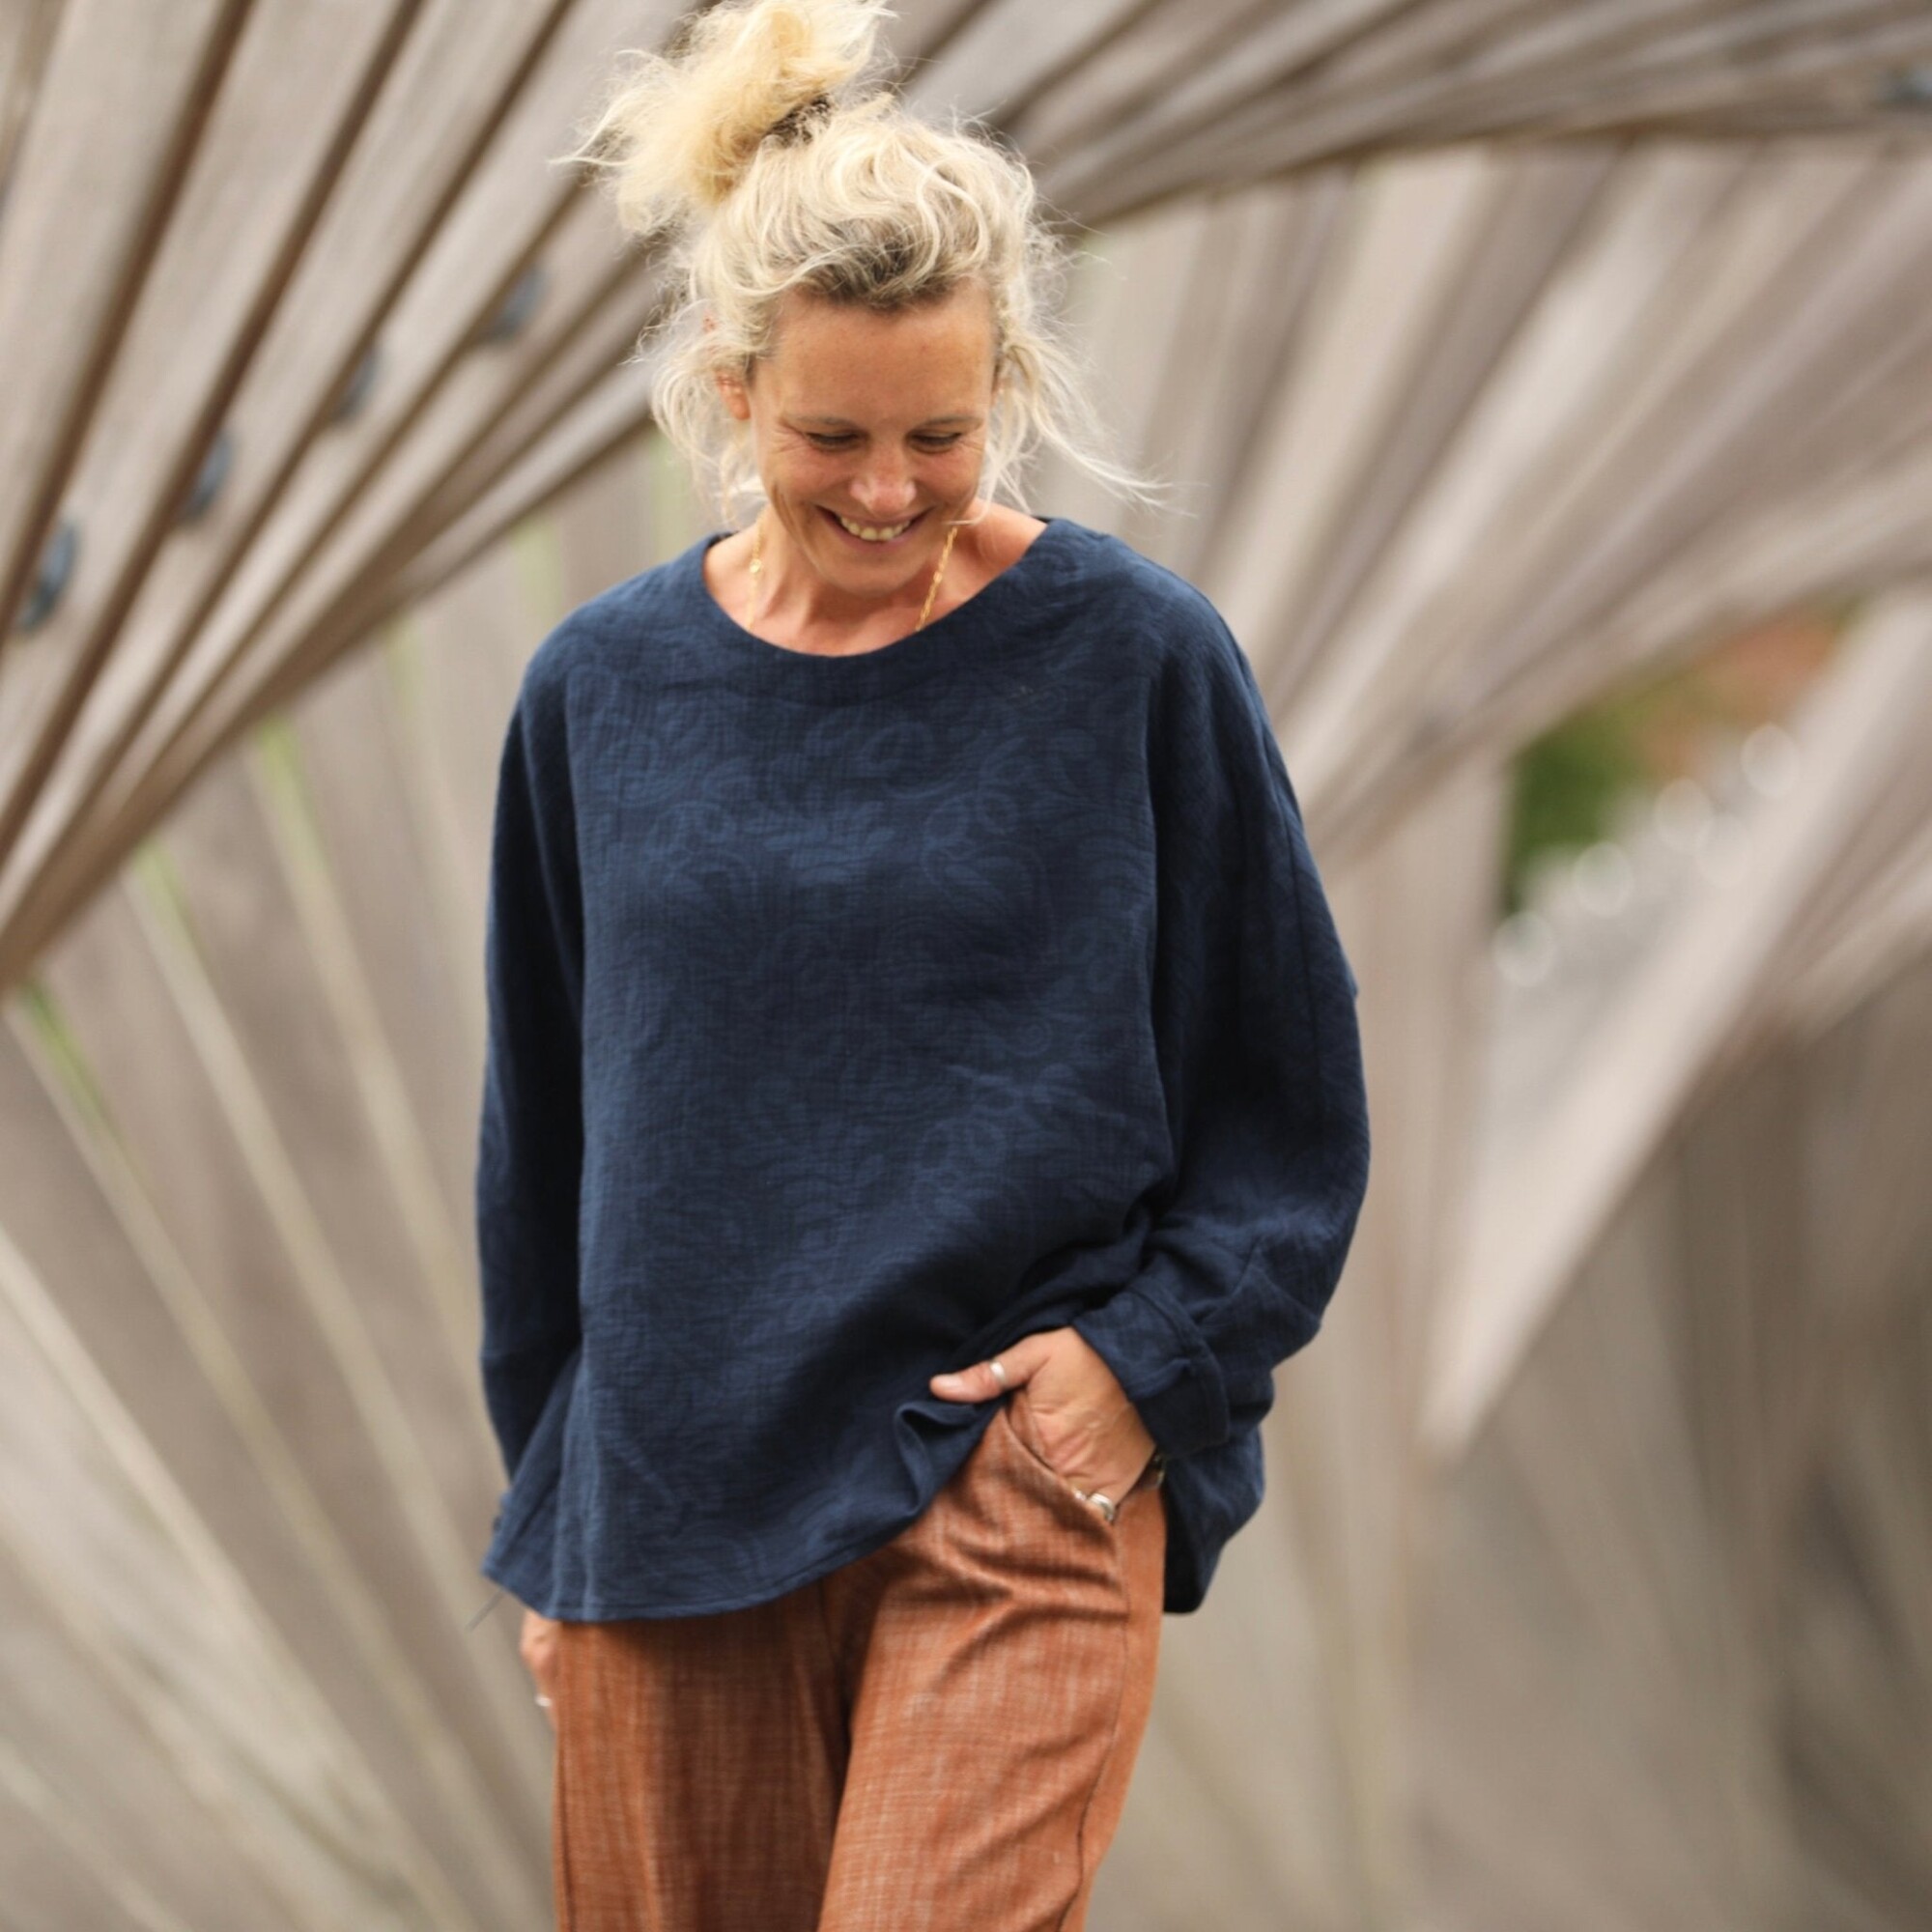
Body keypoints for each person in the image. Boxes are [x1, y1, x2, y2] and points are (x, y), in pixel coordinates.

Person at [471, 1, 1371, 1924]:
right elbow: (543, 1147)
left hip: (1008, 1487)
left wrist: (1137, 1371)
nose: (888, 489)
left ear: (1007, 388)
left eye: (939, 435)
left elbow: (1286, 1096)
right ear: (730, 390)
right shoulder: (598, 696)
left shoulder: (1135, 661)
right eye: (833, 436)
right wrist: (555, 1505)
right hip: (669, 1514)